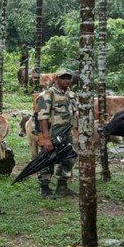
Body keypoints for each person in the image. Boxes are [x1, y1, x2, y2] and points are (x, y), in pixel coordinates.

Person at [36, 69, 78, 199]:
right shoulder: (47, 94)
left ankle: (62, 186)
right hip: (52, 133)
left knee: (68, 159)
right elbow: (42, 117)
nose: (66, 80)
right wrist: (46, 138)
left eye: (68, 78)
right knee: (47, 161)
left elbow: (74, 114)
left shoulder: (71, 95)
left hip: (67, 133)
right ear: (55, 79)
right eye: (63, 78)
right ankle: (45, 188)